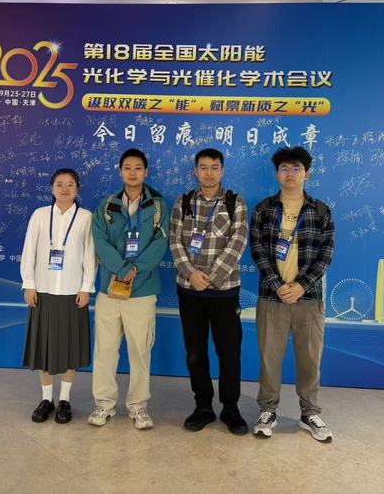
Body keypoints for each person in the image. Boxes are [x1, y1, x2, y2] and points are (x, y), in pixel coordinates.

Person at [249, 146, 335, 442]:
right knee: (269, 358)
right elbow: (257, 250)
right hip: (272, 297)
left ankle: (309, 412)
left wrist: (301, 285)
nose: (290, 174)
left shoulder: (321, 211)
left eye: (296, 169)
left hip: (308, 299)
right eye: (284, 168)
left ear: (306, 174)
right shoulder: (263, 209)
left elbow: (326, 254)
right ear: (277, 174)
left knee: (310, 359)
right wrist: (278, 284)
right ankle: (267, 410)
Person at [169, 148, 249, 435]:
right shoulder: (183, 202)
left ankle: (230, 408)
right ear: (195, 171)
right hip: (189, 291)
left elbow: (238, 241)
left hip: (224, 291)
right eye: (203, 167)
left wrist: (211, 277)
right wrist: (191, 274)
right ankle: (203, 406)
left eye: (215, 167)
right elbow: (174, 241)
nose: (209, 173)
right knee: (195, 353)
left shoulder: (235, 202)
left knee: (229, 352)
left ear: (222, 170)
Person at [89, 148, 170, 429]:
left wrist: (136, 269)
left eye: (138, 168)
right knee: (105, 350)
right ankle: (104, 403)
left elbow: (161, 243)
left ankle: (138, 406)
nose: (132, 173)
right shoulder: (107, 205)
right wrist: (122, 268)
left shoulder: (158, 206)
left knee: (140, 351)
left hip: (142, 290)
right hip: (110, 289)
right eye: (127, 168)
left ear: (146, 172)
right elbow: (99, 240)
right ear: (120, 171)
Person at [20, 168, 96, 424]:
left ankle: (64, 400)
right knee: (43, 347)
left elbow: (90, 255)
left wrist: (86, 287)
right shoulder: (40, 215)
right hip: (43, 291)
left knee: (69, 347)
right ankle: (46, 400)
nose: (65, 189)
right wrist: (29, 285)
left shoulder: (86, 217)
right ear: (52, 188)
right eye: (60, 184)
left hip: (73, 293)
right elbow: (29, 251)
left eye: (70, 184)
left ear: (77, 190)